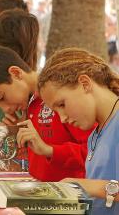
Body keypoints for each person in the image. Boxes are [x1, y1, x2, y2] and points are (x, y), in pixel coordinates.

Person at [0, 46, 91, 182]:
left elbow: (95, 152)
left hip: (73, 196)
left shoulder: (62, 98)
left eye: (1, 98)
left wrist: (50, 150)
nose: (5, 110)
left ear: (16, 73)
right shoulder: (27, 106)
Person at [38, 48, 119, 214]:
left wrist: (84, 185)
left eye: (62, 104)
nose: (62, 118)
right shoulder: (95, 135)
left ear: (85, 83)